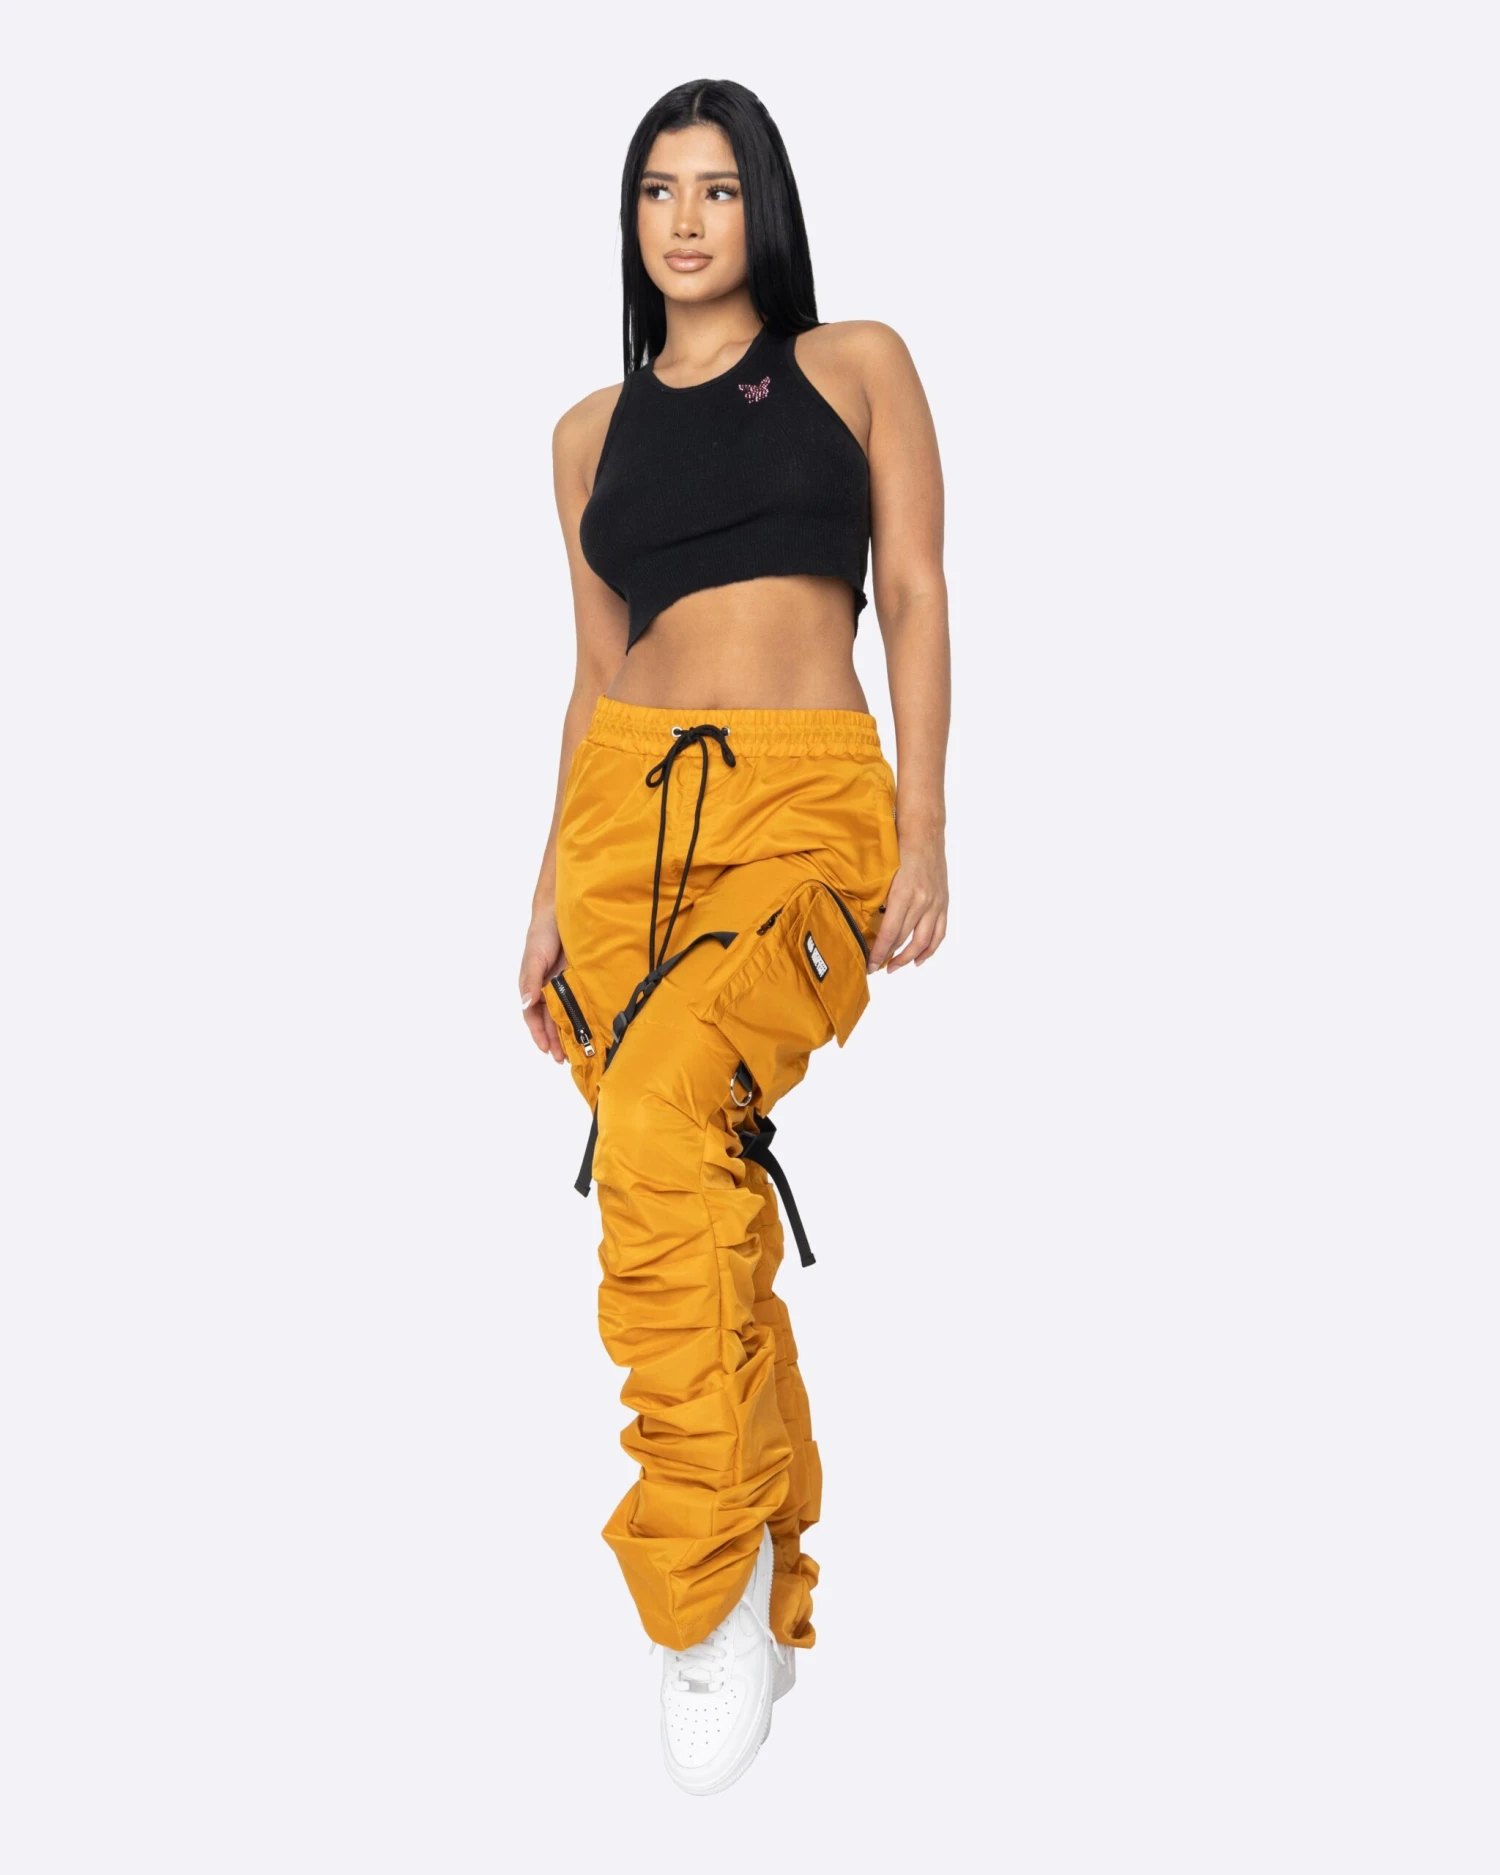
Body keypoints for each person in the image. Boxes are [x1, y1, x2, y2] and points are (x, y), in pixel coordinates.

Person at [518, 77, 950, 1795]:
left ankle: (698, 1596)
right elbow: (590, 674)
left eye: (715, 187)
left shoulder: (856, 365)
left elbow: (912, 594)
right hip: (624, 831)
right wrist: (546, 890)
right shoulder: (585, 433)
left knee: (660, 1121)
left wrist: (926, 822)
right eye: (657, 191)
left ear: (763, 205)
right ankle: (767, 1562)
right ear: (630, 221)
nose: (686, 219)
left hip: (803, 805)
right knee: (680, 1172)